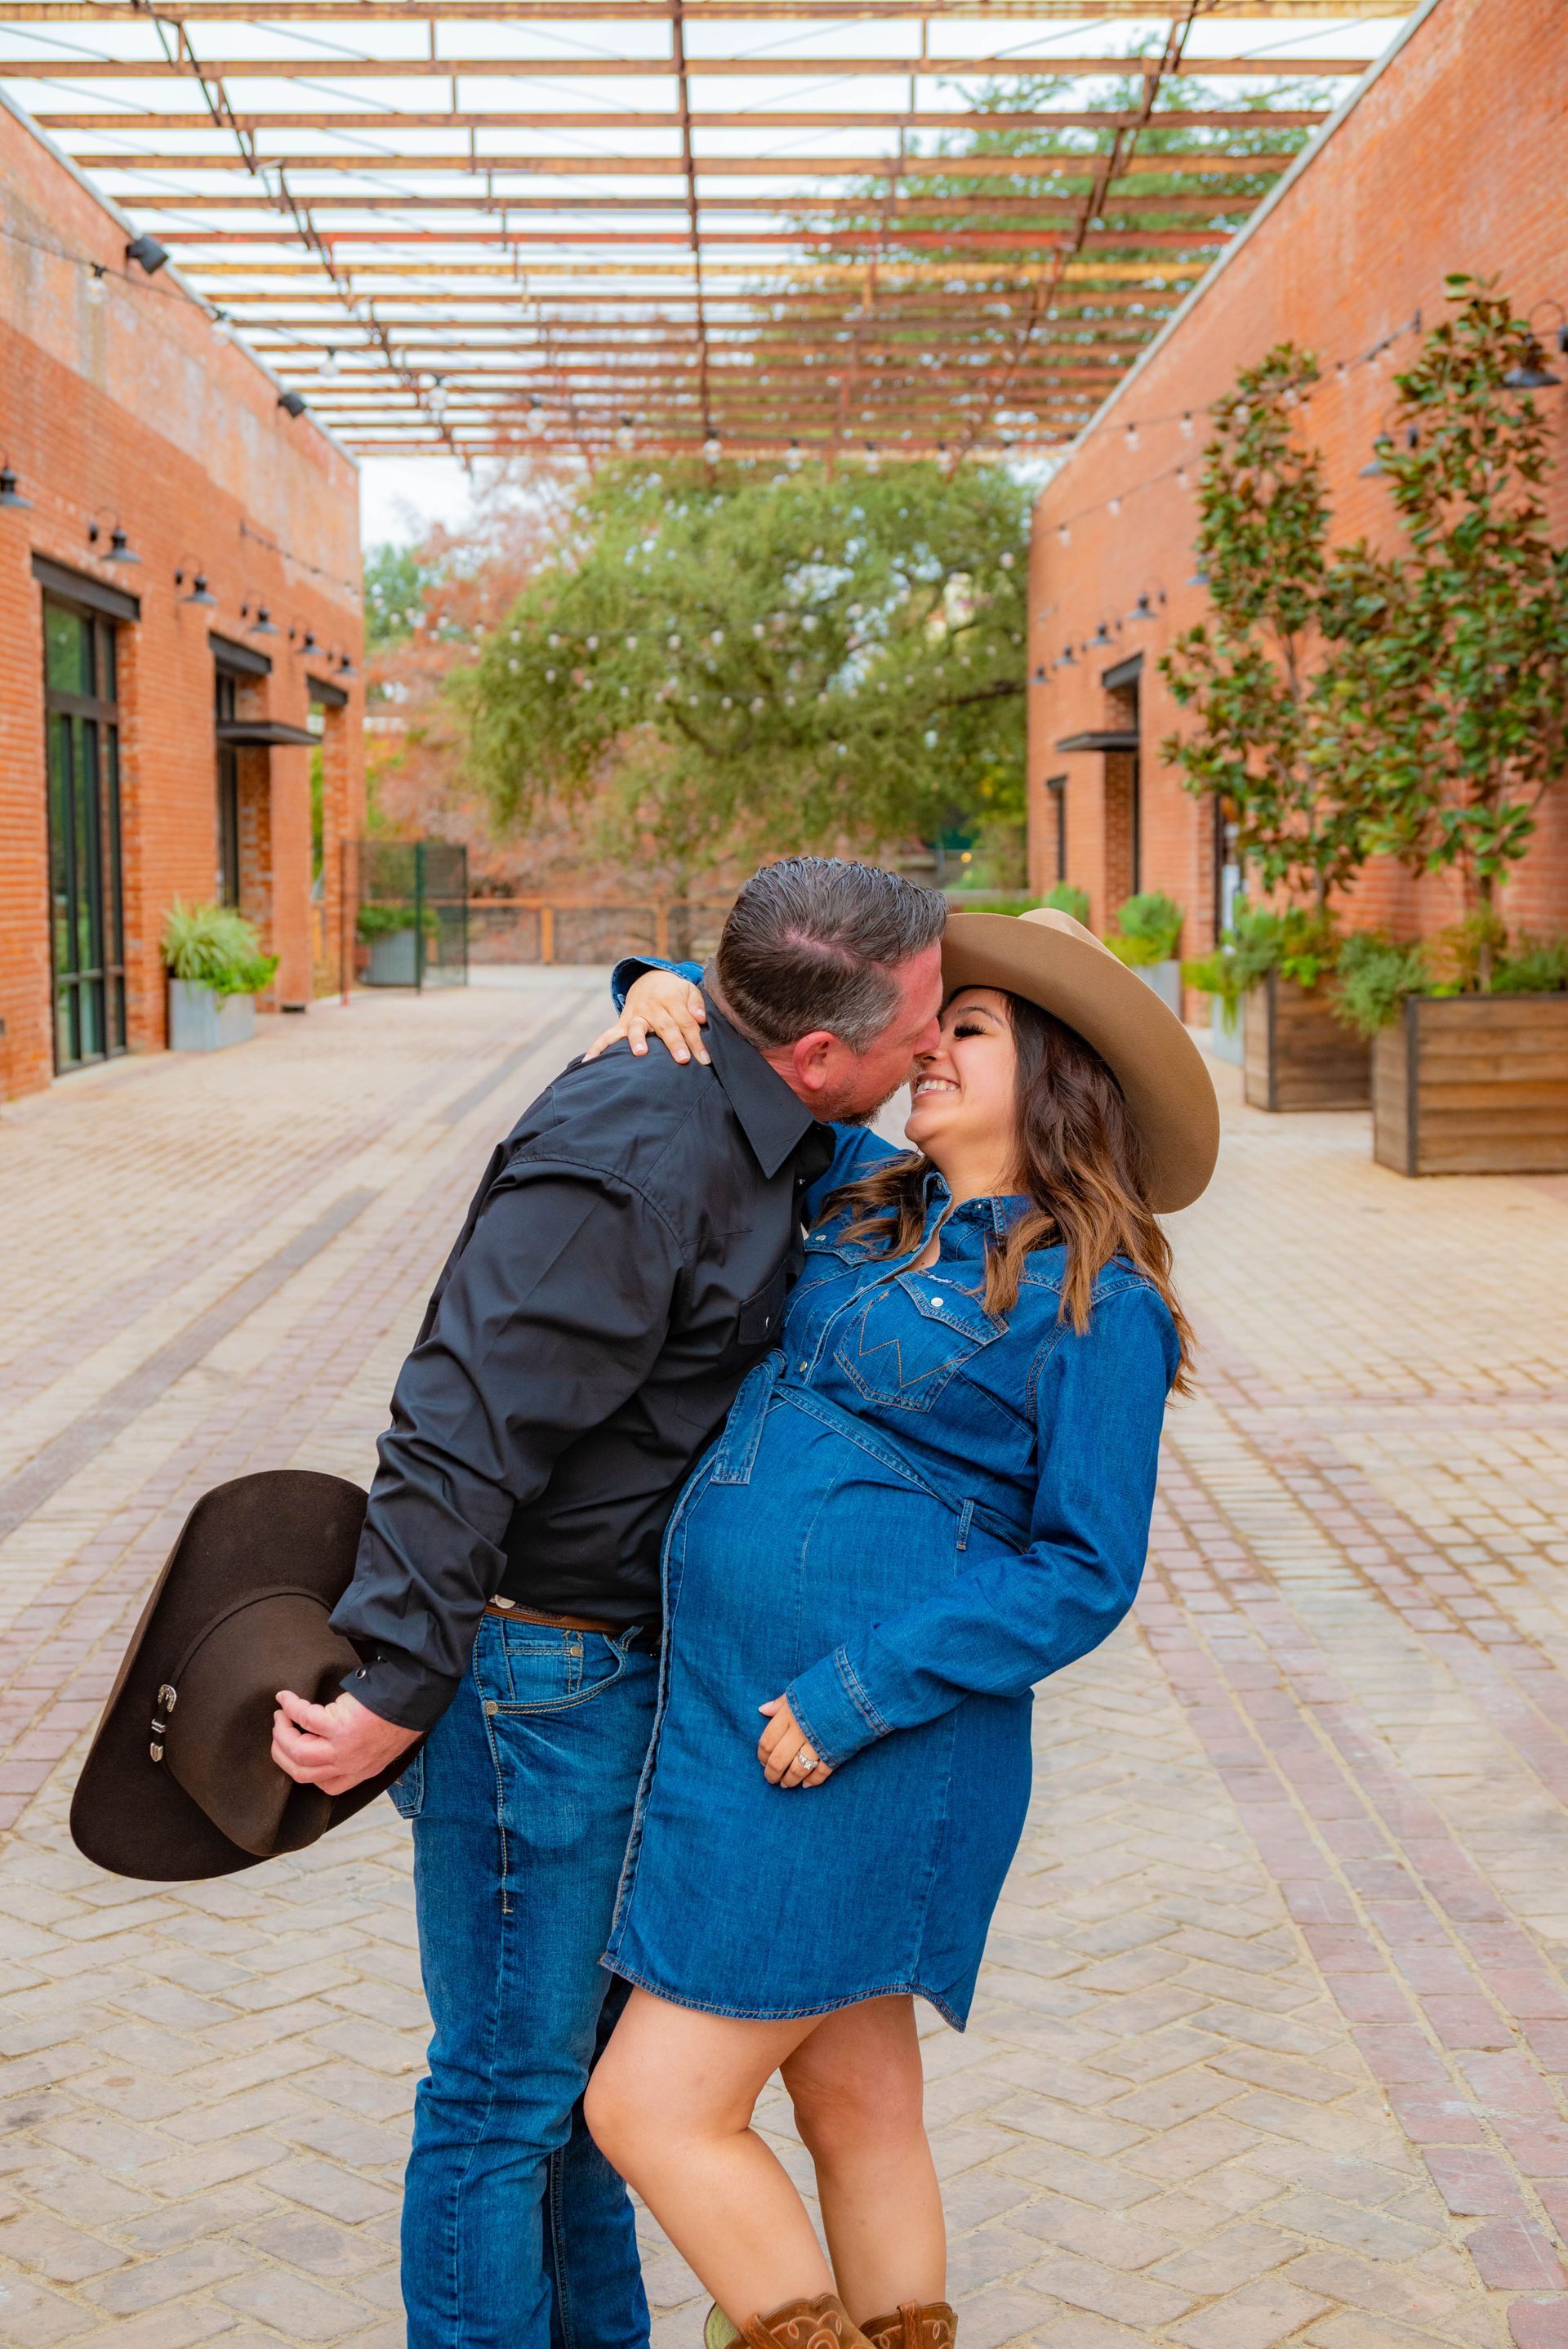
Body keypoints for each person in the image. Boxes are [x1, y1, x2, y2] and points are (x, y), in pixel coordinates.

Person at [267, 858, 948, 2349]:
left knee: (583, 2092)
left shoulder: (773, 1109)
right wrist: (396, 1678)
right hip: (533, 1681)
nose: (935, 1045)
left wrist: (659, 977)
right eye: (922, 1025)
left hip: (640, 1673)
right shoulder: (636, 1143)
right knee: (506, 2096)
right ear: (823, 1050)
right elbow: (460, 1418)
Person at [578, 907, 1217, 2349]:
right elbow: (779, 1025)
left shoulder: (1097, 1301)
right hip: (740, 1720)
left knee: (648, 2108)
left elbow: (1082, 1571)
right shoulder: (868, 1196)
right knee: (855, 2104)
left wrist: (861, 1691)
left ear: (1054, 1080)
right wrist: (661, 986)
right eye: (933, 1026)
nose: (925, 1048)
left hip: (857, 1745)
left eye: (965, 1033)